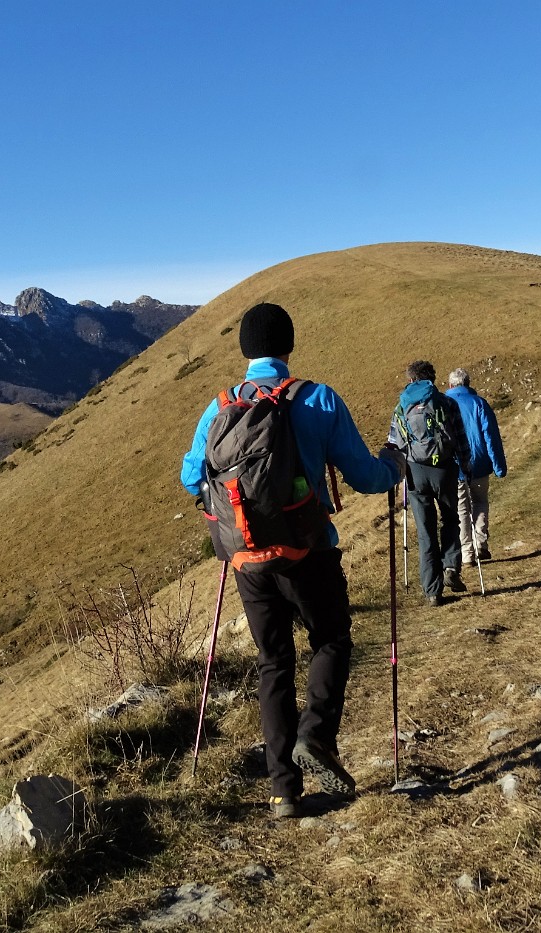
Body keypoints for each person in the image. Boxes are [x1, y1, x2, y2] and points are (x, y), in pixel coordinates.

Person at [181, 302, 406, 819]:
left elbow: (192, 478)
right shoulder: (318, 398)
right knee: (330, 639)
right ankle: (316, 735)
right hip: (308, 551)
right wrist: (393, 463)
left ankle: (284, 791)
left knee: (273, 663)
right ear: (289, 345)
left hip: (247, 559)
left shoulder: (218, 408)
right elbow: (367, 478)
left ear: (245, 351)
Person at [387, 361, 470, 606]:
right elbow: (461, 439)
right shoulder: (447, 403)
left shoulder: (401, 406)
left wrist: (396, 473)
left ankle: (432, 591)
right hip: (444, 469)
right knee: (451, 518)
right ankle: (451, 568)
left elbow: (394, 443)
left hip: (415, 472)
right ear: (432, 379)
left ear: (411, 379)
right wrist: (466, 466)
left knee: (426, 531)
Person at [446, 368, 507, 563]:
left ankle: (467, 552)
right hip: (479, 463)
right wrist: (499, 466)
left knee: (462, 508)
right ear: (468, 383)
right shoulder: (480, 403)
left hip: (455, 466)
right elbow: (492, 437)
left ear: (450, 385)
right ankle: (481, 543)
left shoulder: (444, 405)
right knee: (480, 501)